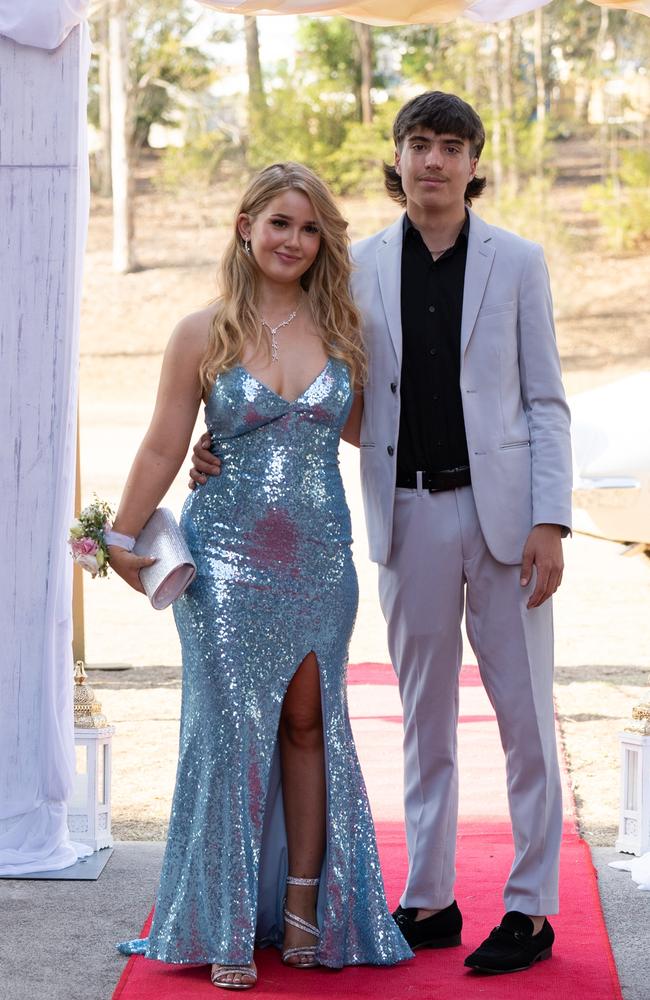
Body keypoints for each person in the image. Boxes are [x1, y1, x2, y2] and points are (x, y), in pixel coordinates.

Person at [191, 93, 573, 976]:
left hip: (510, 516)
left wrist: (551, 519)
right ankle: (430, 898)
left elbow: (546, 402)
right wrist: (227, 443)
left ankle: (531, 907)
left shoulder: (518, 261)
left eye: (451, 146)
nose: (433, 160)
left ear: (476, 161)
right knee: (423, 717)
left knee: (523, 718)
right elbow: (315, 387)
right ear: (395, 160)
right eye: (417, 144)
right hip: (408, 512)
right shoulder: (353, 268)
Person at [109, 161, 412, 991]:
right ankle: (228, 919)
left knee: (312, 727)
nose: (294, 241)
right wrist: (119, 534)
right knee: (232, 737)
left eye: (311, 228)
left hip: (319, 560)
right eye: (280, 222)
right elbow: (165, 443)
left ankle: (310, 910)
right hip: (226, 565)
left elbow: (368, 434)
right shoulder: (199, 332)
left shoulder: (345, 327)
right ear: (246, 227)